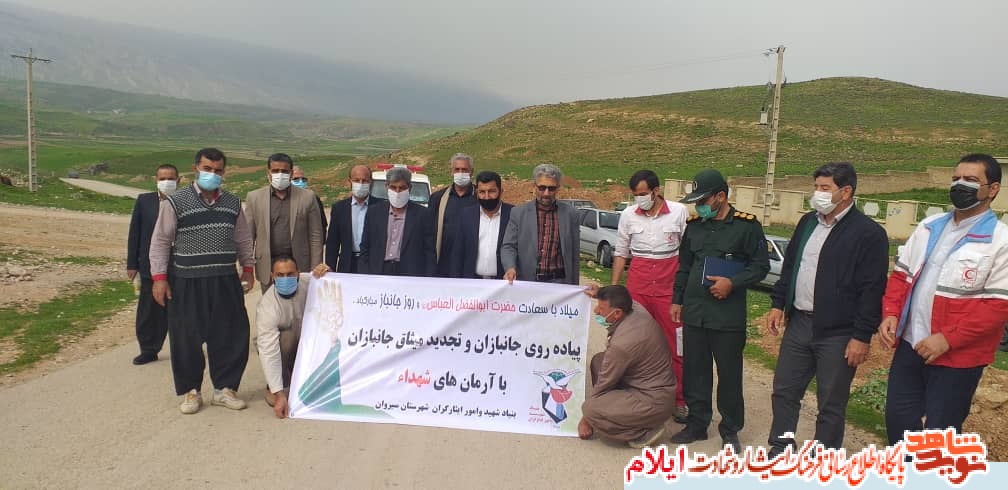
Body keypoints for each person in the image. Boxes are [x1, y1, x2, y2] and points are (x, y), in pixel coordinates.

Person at [879, 153, 1008, 445]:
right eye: (956, 178)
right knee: (899, 423)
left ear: (993, 189)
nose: (960, 185)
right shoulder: (929, 227)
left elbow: (997, 308)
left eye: (971, 180)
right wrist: (891, 312)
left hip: (957, 358)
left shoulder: (1001, 241)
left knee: (940, 433)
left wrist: (948, 339)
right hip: (911, 345)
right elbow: (901, 276)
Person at [764, 162, 889, 457]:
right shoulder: (808, 223)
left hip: (839, 333)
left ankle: (824, 456)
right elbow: (791, 267)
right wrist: (778, 304)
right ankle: (781, 446)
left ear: (846, 192)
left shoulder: (868, 233)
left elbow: (872, 290)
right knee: (785, 391)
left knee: (831, 401)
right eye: (816, 187)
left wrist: (861, 336)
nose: (817, 193)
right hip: (799, 324)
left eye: (824, 188)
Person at [668, 169, 769, 452]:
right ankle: (697, 424)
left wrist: (732, 283)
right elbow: (684, 266)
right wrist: (677, 300)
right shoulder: (695, 226)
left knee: (729, 376)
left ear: (721, 196)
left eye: (703, 200)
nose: (698, 206)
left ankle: (730, 430)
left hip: (727, 316)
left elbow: (760, 266)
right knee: (695, 372)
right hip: (695, 312)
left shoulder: (747, 226)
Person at [149, 148, 255, 414]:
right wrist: (159, 278)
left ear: (224, 172)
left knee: (231, 335)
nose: (212, 174)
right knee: (186, 338)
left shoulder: (232, 203)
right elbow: (160, 241)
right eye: (207, 169)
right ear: (196, 168)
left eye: (218, 170)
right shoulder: (175, 201)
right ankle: (191, 391)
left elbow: (242, 238)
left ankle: (225, 389)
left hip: (224, 279)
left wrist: (248, 267)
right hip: (187, 280)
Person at [611, 169, 690, 421]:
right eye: (636, 195)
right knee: (633, 341)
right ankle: (633, 394)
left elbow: (688, 252)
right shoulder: (628, 215)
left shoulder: (679, 212)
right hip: (639, 285)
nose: (640, 199)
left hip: (669, 287)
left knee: (676, 345)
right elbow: (621, 253)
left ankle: (679, 400)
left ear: (656, 191)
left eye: (644, 194)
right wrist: (614, 289)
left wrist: (684, 291)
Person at [579, 285, 678, 448]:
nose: (596, 311)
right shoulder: (635, 309)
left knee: (590, 408)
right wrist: (600, 293)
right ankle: (622, 410)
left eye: (601, 309)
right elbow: (623, 296)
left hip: (652, 401)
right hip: (647, 387)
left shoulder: (622, 344)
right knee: (598, 361)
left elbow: (604, 383)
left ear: (617, 313)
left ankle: (642, 431)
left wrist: (586, 419)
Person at [245, 154, 324, 292]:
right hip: (268, 266)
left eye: (284, 171)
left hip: (299, 264)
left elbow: (316, 235)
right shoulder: (254, 197)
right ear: (268, 172)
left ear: (291, 173)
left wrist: (315, 267)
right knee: (271, 303)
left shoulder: (307, 197)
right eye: (275, 171)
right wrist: (246, 269)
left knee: (301, 302)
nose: (280, 175)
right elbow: (248, 237)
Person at [126, 164, 179, 365]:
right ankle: (149, 349)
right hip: (150, 267)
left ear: (178, 180)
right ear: (156, 180)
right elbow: (135, 233)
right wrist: (132, 264)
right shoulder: (144, 201)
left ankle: (184, 349)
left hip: (180, 267)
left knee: (181, 310)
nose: (167, 182)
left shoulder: (185, 201)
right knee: (149, 311)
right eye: (162, 178)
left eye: (171, 178)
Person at [501, 163, 580, 285]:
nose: (546, 193)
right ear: (534, 186)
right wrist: (510, 267)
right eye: (542, 188)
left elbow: (574, 254)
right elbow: (508, 246)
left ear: (558, 188)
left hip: (559, 283)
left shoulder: (571, 214)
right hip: (527, 283)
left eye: (551, 188)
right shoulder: (518, 213)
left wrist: (575, 286)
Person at [256, 256, 310, 419]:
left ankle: (304, 378)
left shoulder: (309, 282)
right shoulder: (267, 305)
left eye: (290, 274)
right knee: (286, 337)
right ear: (272, 276)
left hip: (306, 342)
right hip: (285, 346)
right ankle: (276, 385)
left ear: (298, 273)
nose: (285, 279)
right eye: (280, 275)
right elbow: (268, 350)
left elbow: (330, 281)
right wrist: (279, 394)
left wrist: (326, 271)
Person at [358, 166, 435, 276]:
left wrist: (429, 278)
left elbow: (429, 251)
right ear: (387, 187)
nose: (397, 192)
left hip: (410, 274)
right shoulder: (374, 212)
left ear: (410, 188)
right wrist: (364, 273)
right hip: (378, 271)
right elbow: (365, 246)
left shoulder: (423, 214)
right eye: (393, 187)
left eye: (402, 188)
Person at [446, 171, 514, 279]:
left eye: (491, 191)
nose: (487, 197)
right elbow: (457, 252)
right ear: (477, 193)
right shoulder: (466, 215)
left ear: (501, 191)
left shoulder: (513, 214)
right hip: (472, 282)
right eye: (482, 192)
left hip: (503, 282)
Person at [324, 164, 382, 273]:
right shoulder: (339, 208)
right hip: (347, 265)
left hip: (372, 265)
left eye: (365, 181)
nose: (361, 184)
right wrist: (330, 268)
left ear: (371, 182)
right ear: (349, 181)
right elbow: (333, 242)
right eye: (357, 180)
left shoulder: (380, 207)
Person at [429, 153, 477, 276]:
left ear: (471, 172)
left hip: (472, 264)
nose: (460, 173)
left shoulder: (480, 197)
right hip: (443, 264)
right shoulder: (438, 198)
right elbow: (430, 232)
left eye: (464, 170)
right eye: (457, 169)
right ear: (451, 172)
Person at [292, 165, 327, 249]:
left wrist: (319, 244)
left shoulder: (313, 198)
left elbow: (322, 223)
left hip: (307, 247)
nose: (301, 182)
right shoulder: (282, 200)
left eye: (303, 179)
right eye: (296, 179)